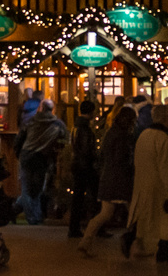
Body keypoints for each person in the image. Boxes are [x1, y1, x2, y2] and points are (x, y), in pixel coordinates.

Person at [124, 103, 168, 264]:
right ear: (166, 119)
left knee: (144, 217)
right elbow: (167, 168)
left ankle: (132, 237)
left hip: (142, 183)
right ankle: (163, 250)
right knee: (166, 219)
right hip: (160, 187)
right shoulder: (164, 138)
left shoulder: (144, 135)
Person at [81, 106, 138, 255]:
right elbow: (122, 159)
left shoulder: (111, 133)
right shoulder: (123, 136)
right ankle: (138, 244)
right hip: (121, 180)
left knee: (105, 213)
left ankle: (85, 241)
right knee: (135, 212)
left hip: (108, 178)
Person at [14, 97, 67, 225]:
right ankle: (35, 216)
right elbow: (65, 139)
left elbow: (19, 140)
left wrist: (18, 154)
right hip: (42, 157)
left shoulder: (31, 121)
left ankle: (29, 216)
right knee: (37, 190)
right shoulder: (58, 124)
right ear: (52, 109)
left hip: (27, 156)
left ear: (41, 108)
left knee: (26, 189)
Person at [68, 101, 100, 239]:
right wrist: (95, 158)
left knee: (78, 198)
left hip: (78, 165)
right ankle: (97, 226)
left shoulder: (76, 126)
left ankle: (74, 228)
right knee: (95, 196)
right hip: (85, 166)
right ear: (91, 111)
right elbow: (87, 150)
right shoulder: (85, 128)